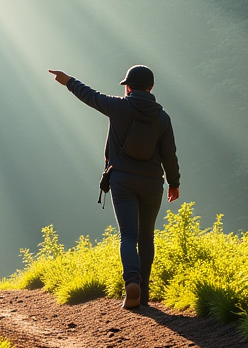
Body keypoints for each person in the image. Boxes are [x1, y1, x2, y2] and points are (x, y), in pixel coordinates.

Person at [48, 65, 181, 309]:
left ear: (128, 86)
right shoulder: (162, 117)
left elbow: (90, 95)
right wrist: (174, 183)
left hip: (123, 181)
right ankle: (144, 291)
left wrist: (67, 80)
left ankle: (132, 283)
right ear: (151, 87)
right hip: (152, 183)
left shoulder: (118, 107)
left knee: (128, 235)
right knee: (146, 237)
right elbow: (169, 155)